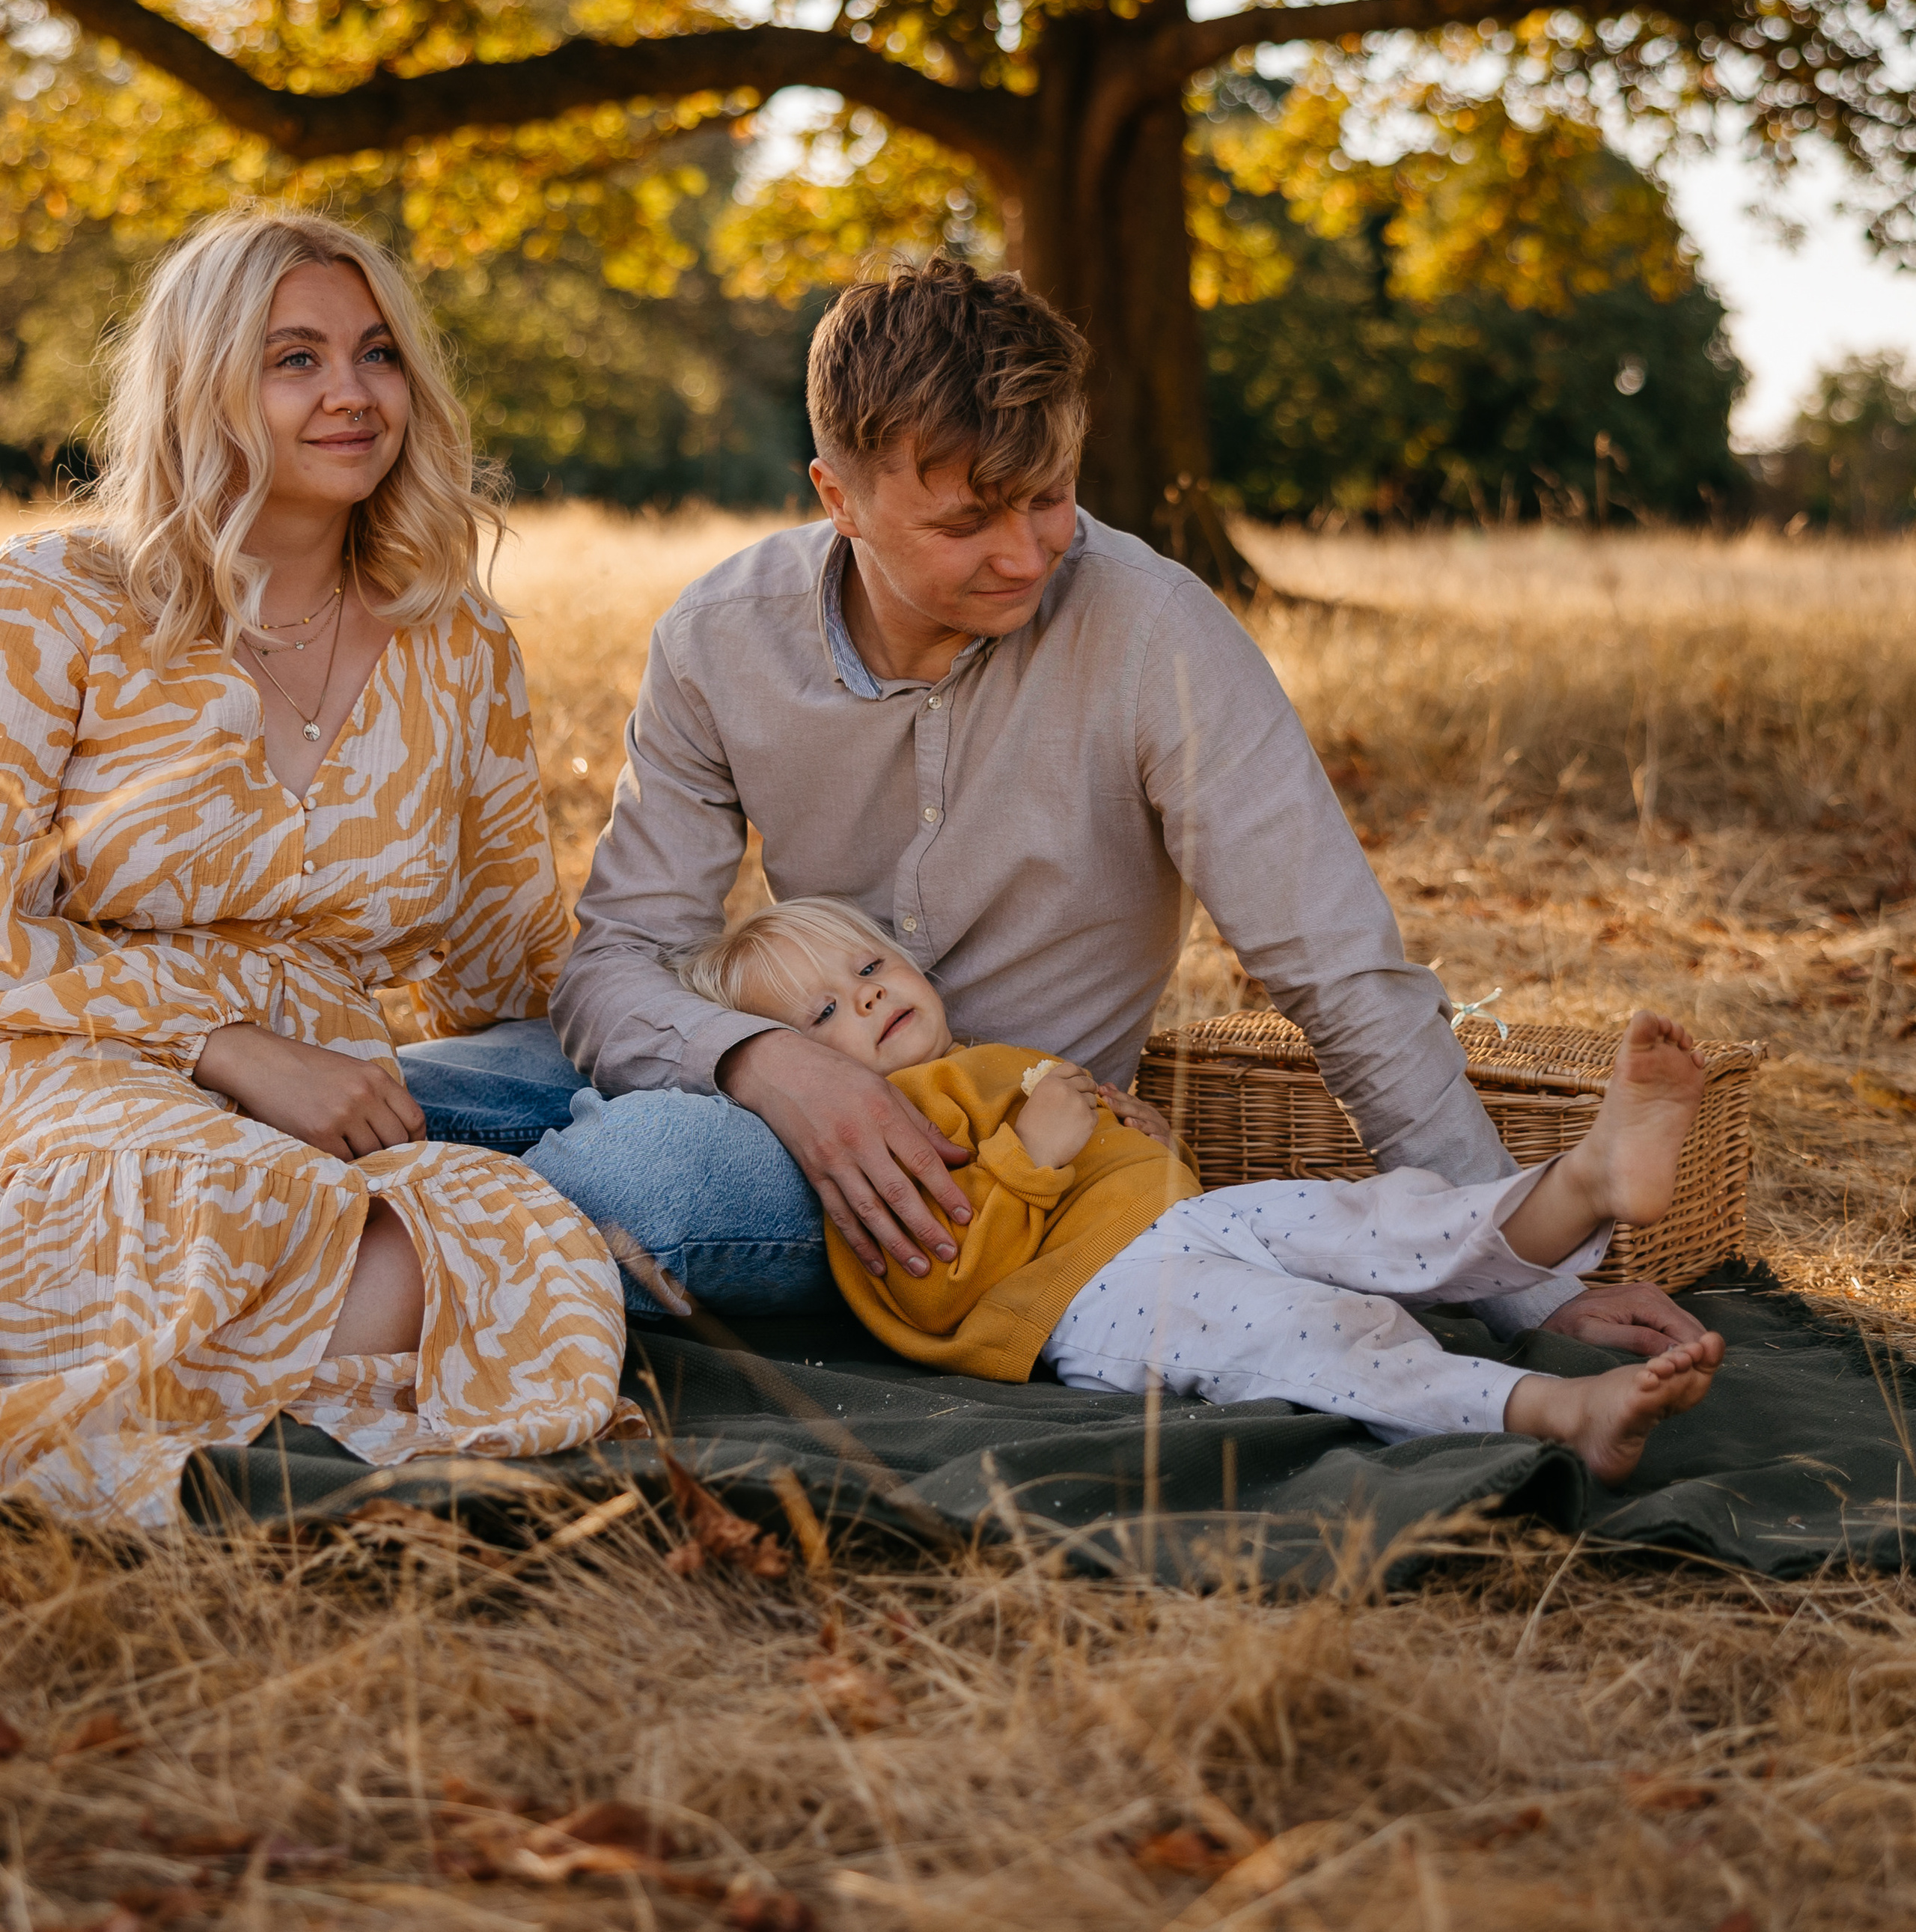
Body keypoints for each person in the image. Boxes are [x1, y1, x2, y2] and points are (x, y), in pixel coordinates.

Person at [400, 256, 1707, 1363]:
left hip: (975, 1194)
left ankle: (373, 1280)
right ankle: (305, 1216)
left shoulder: (1157, 637)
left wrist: (1531, 1291)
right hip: (765, 1084)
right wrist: (767, 1062)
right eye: (969, 519)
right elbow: (616, 967)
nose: (1027, 553)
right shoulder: (719, 641)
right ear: (836, 498)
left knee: (653, 1179)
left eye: (1049, 497)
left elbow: (1341, 975)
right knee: (405, 1086)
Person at [0, 208, 635, 1527]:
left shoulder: (455, 642)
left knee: (522, 1239)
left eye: (378, 353)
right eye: (296, 359)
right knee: (218, 1193)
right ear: (205, 385)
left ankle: (159, 1395)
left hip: (336, 1110)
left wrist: (735, 1028)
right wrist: (225, 1045)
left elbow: (507, 959)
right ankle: (171, 1417)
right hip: (62, 1071)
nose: (353, 394)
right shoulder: (55, 602)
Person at [668, 897, 1724, 1484]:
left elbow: (1101, 1159)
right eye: (821, 1017)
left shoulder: (996, 1059)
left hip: (1192, 1221)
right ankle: (1550, 1409)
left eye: (868, 970)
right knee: (1319, 1336)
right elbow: (934, 1287)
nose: (866, 999)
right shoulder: (866, 1144)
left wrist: (1144, 1142)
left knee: (1374, 1214)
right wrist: (1029, 1157)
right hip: (1099, 1300)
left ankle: (1584, 1180)